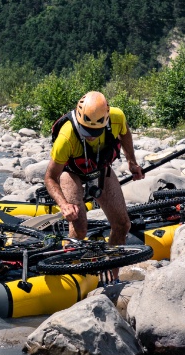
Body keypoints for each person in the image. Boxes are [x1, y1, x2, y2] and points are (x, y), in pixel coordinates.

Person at [43, 91, 144, 244]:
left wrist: (132, 162)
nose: (90, 135)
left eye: (95, 131)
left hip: (100, 168)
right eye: (86, 130)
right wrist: (64, 205)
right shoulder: (66, 137)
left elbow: (125, 134)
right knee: (80, 229)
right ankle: (71, 264)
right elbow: (50, 177)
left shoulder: (117, 117)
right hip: (71, 173)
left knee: (123, 225)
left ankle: (110, 266)